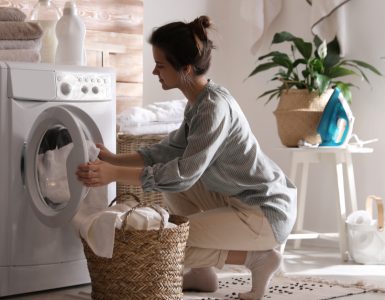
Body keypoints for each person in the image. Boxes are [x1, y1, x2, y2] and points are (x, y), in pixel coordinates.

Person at [76, 15, 297, 300]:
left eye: (160, 65)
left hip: (265, 211)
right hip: (242, 198)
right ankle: (203, 274)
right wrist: (114, 159)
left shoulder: (213, 108)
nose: (155, 71)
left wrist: (114, 174)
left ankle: (258, 259)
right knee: (176, 185)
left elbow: (183, 173)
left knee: (170, 240)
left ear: (186, 69)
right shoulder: (199, 102)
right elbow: (166, 152)